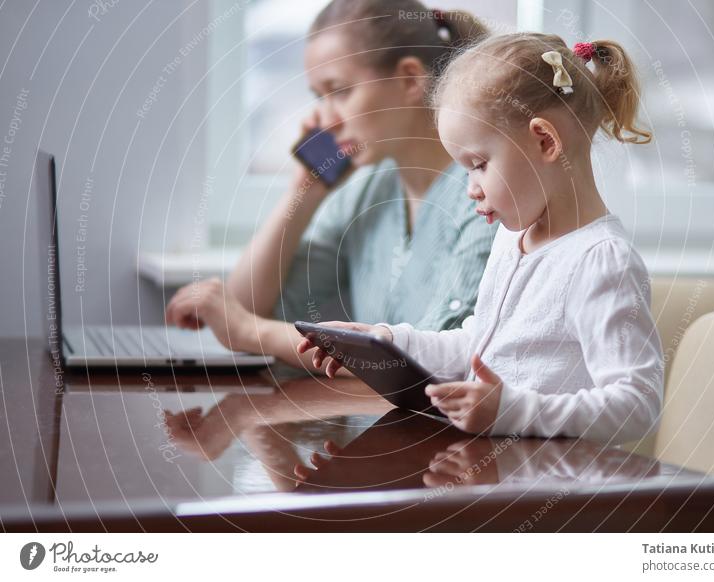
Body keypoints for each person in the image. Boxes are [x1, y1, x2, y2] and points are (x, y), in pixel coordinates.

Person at [299, 33, 665, 445]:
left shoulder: (602, 260)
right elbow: (479, 346)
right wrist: (387, 342)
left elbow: (638, 406)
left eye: (478, 165)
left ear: (545, 141)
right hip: (494, 478)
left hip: (554, 493)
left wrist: (510, 410)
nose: (470, 187)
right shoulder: (513, 240)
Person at [165, 0, 495, 369]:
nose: (323, 119)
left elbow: (436, 363)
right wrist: (304, 192)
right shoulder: (366, 192)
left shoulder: (486, 195)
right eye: (318, 97)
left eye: (338, 91)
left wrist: (252, 331)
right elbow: (243, 309)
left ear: (409, 79)